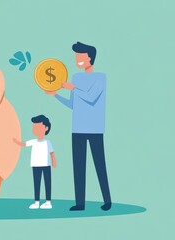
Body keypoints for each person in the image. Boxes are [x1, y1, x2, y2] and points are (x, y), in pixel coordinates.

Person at [45, 42, 112, 211]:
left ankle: (107, 200)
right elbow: (73, 104)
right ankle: (80, 203)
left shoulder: (100, 78)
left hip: (95, 128)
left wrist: (73, 87)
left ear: (89, 57)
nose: (77, 59)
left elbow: (91, 97)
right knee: (78, 166)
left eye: (80, 56)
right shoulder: (76, 77)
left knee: (99, 164)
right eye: (76, 56)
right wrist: (56, 95)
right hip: (77, 129)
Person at [13, 115, 57, 209]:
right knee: (36, 183)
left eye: (38, 127)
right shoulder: (33, 141)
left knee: (47, 183)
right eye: (34, 127)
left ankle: (48, 202)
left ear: (46, 128)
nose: (35, 129)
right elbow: (24, 144)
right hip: (35, 165)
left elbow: (52, 153)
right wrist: (16, 141)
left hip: (46, 165)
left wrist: (54, 162)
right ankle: (36, 202)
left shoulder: (47, 142)